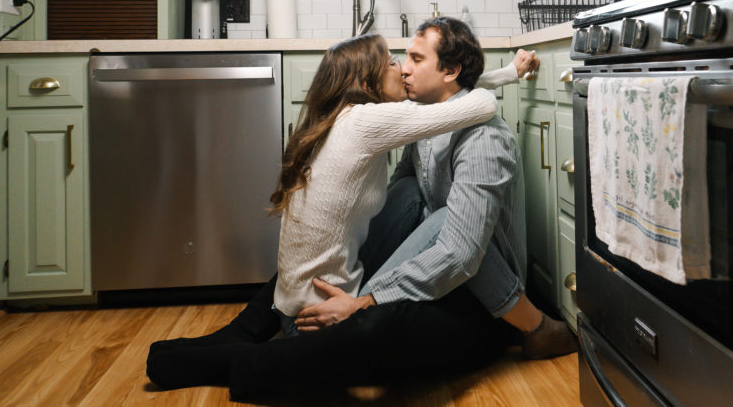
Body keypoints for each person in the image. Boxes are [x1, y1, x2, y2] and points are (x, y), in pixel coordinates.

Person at [147, 21, 574, 398]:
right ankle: (246, 333)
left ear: (448, 71)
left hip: (478, 289)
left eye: (413, 58)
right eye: (397, 60)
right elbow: (411, 186)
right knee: (407, 195)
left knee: (428, 243)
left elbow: (462, 253)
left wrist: (365, 300)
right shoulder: (412, 121)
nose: (403, 68)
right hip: (432, 265)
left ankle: (251, 355)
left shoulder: (480, 139)